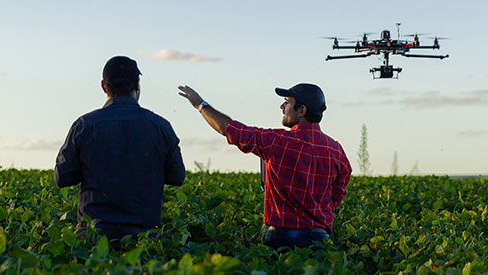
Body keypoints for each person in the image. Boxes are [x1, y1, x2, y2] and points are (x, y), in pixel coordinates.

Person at [177, 83, 351, 250]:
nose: (282, 107)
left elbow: (229, 129)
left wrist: (200, 105)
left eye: (287, 102)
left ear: (302, 110)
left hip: (282, 239)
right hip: (321, 241)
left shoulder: (277, 141)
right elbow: (335, 199)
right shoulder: (336, 150)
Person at [55, 56, 185, 241]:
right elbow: (177, 177)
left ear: (103, 86)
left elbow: (62, 178)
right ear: (137, 84)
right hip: (144, 239)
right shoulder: (160, 126)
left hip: (93, 236)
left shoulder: (84, 125)